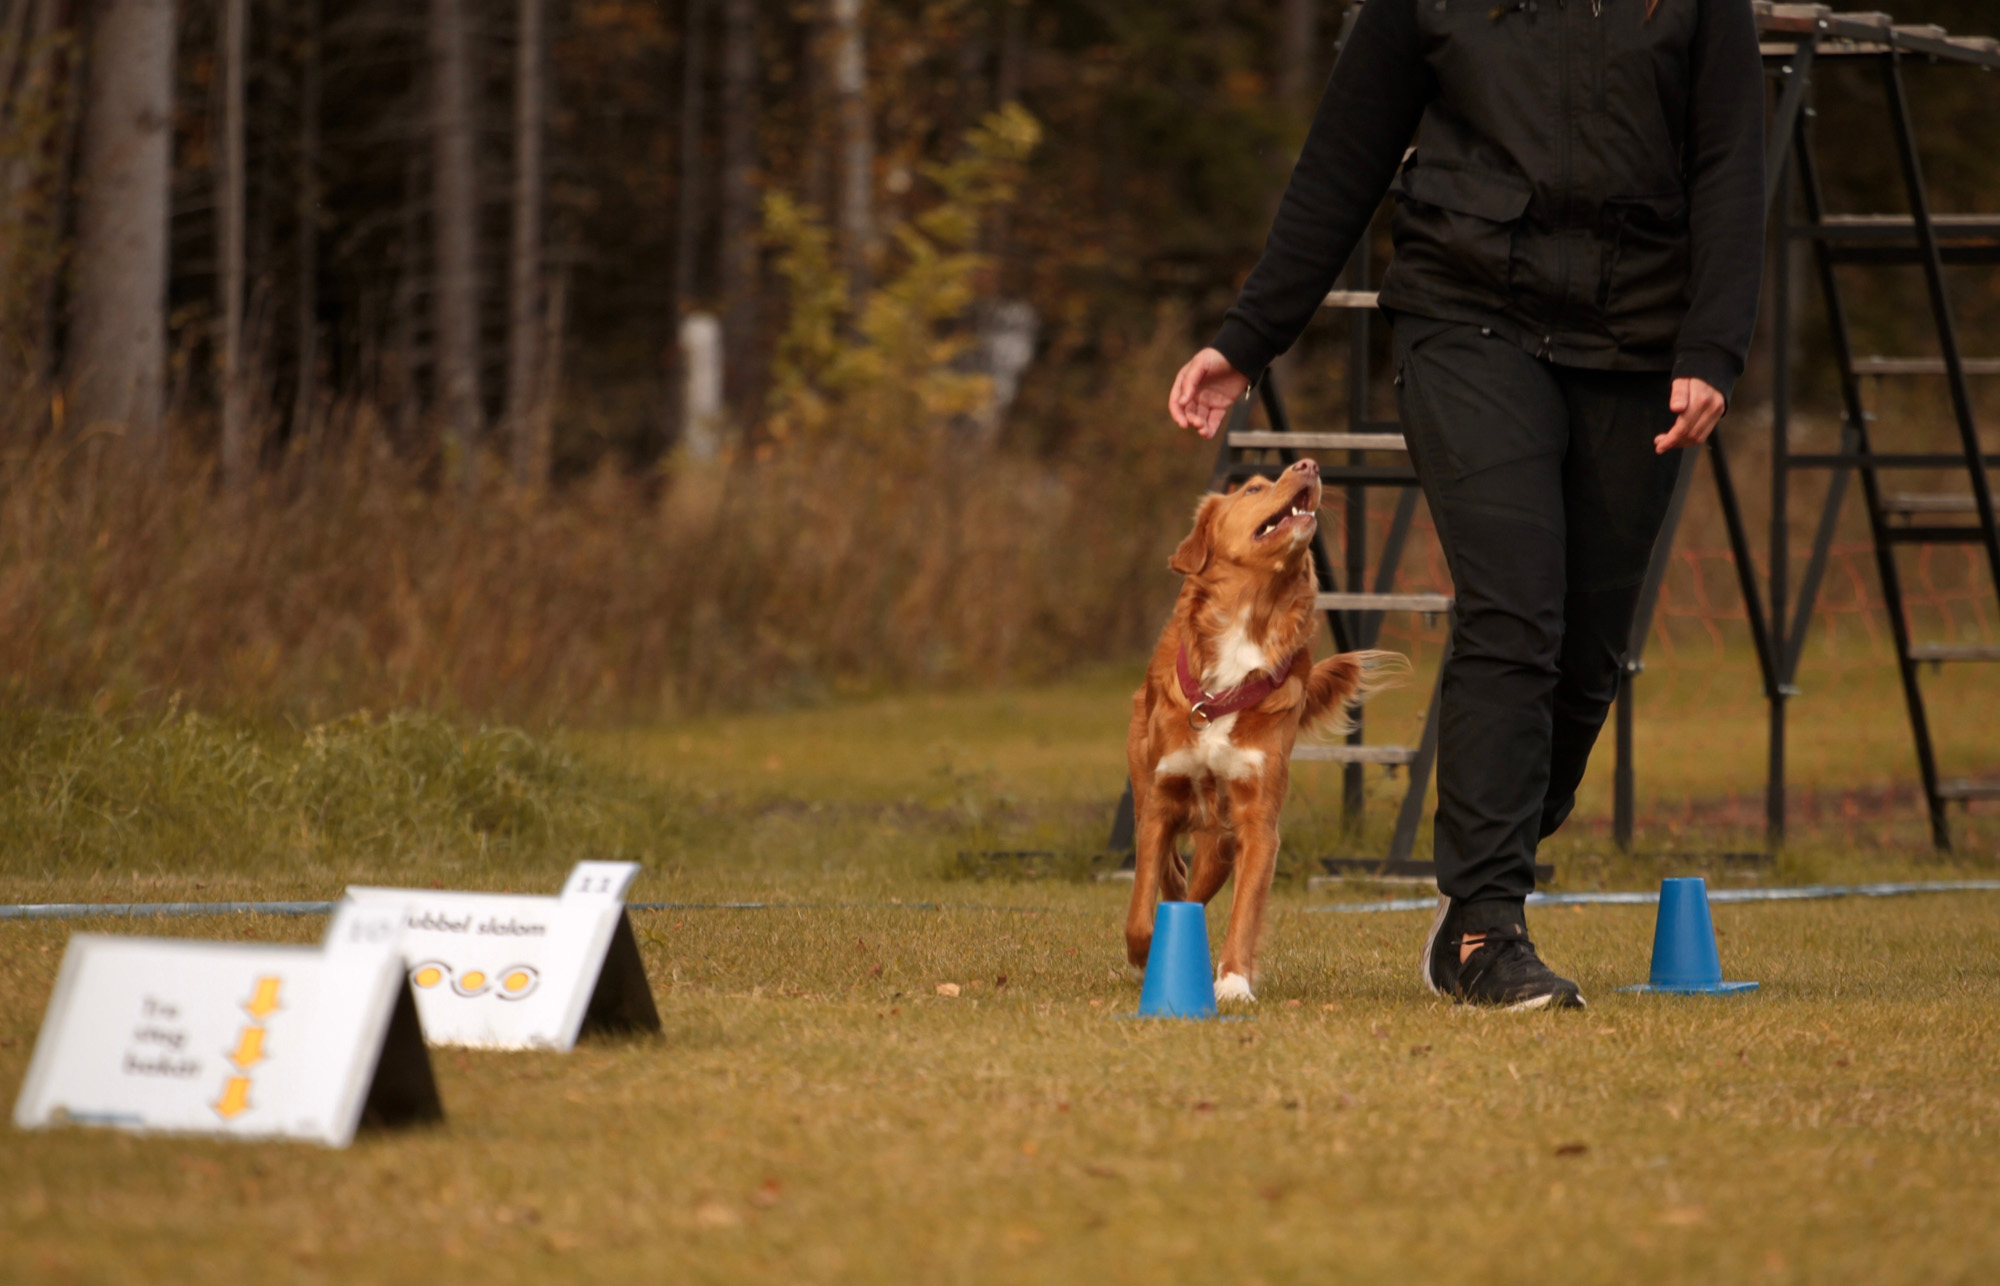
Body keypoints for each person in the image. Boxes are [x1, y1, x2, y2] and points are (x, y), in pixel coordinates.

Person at [1169, 0, 1765, 1009]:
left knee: (1586, 654)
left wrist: (1711, 342)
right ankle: (1485, 925)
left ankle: (1491, 854)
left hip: (1637, 333)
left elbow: (1729, 162)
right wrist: (1248, 336)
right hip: (1467, 316)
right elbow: (1341, 162)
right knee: (1512, 606)